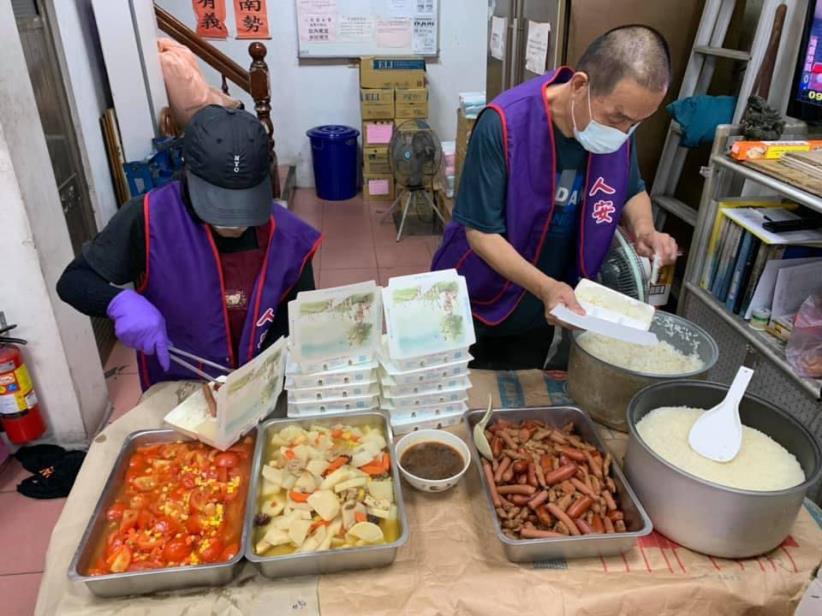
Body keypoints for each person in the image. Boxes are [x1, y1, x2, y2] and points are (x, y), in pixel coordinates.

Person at [432, 25, 679, 370]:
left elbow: (631, 188)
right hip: (479, 295)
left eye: (636, 123)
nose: (624, 132)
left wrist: (645, 229)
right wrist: (546, 287)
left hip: (543, 305)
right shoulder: (504, 124)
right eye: (619, 117)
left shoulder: (617, 129)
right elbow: (481, 233)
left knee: (518, 397)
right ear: (579, 85)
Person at [57, 106, 321, 389]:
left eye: (244, 206)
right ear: (189, 178)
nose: (234, 223)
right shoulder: (149, 218)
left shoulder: (289, 238)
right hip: (178, 393)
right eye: (219, 205)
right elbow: (73, 281)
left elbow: (297, 325)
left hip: (260, 390)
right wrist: (116, 302)